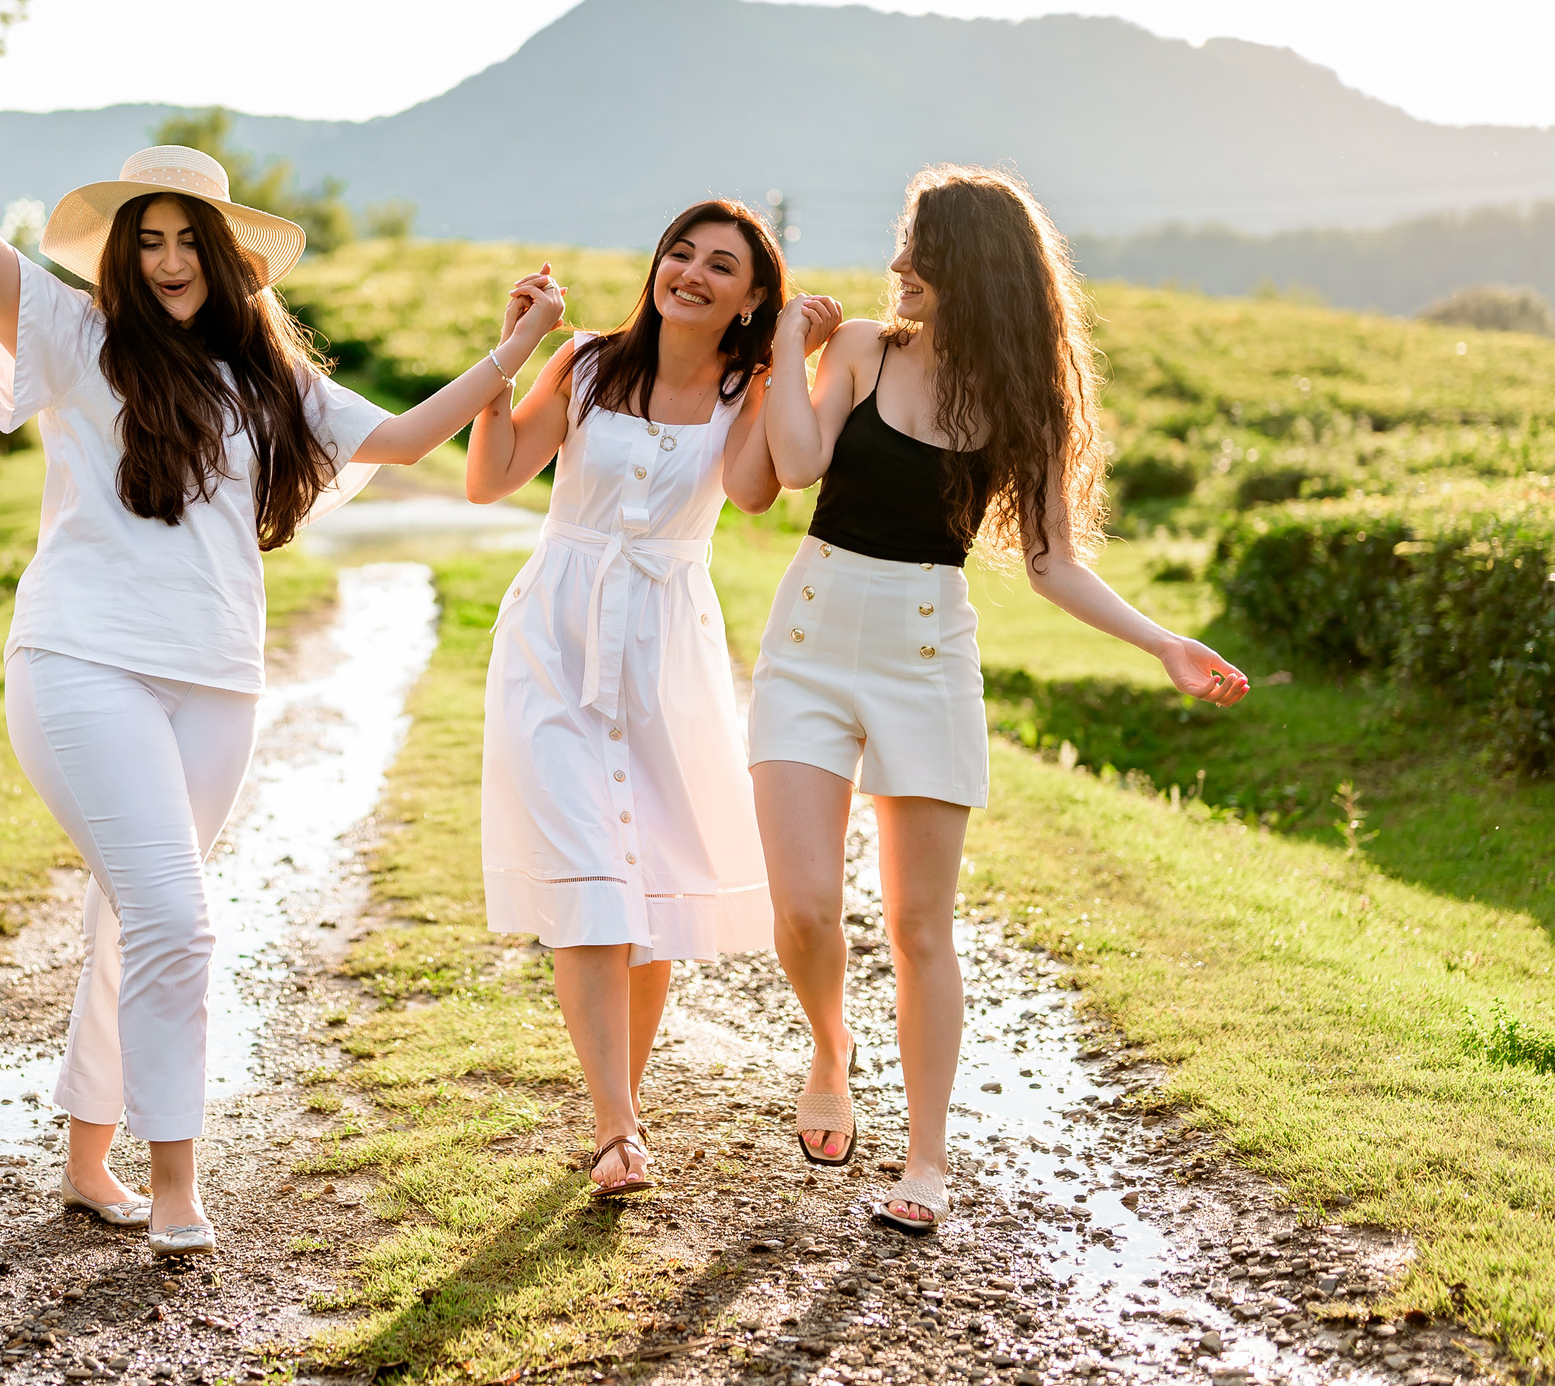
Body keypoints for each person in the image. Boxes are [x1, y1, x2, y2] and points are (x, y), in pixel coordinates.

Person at [0, 17, 563, 1255]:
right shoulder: (76, 337)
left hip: (216, 686)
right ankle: (176, 1182)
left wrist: (516, 348)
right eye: (153, 239)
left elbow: (402, 437)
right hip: (80, 665)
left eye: (191, 240)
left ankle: (86, 1159)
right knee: (179, 920)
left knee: (137, 916)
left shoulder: (266, 379)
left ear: (227, 258)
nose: (172, 258)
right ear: (123, 255)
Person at [753, 165, 1250, 1236]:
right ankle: (831, 1049)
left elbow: (1051, 563)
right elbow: (794, 467)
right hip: (807, 637)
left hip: (926, 658)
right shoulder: (860, 352)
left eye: (917, 249)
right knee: (800, 907)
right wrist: (792, 355)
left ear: (969, 266)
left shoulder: (1022, 402)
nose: (897, 268)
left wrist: (1162, 642)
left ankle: (925, 1161)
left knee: (919, 924)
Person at [465, 201, 786, 1197]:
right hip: (553, 640)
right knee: (592, 888)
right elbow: (490, 478)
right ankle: (617, 1131)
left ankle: (620, 1115)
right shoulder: (592, 364)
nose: (688, 273)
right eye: (678, 253)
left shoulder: (751, 392)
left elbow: (756, 495)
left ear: (751, 298)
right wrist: (512, 359)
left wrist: (782, 384)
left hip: (666, 653)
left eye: (718, 265)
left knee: (646, 889)